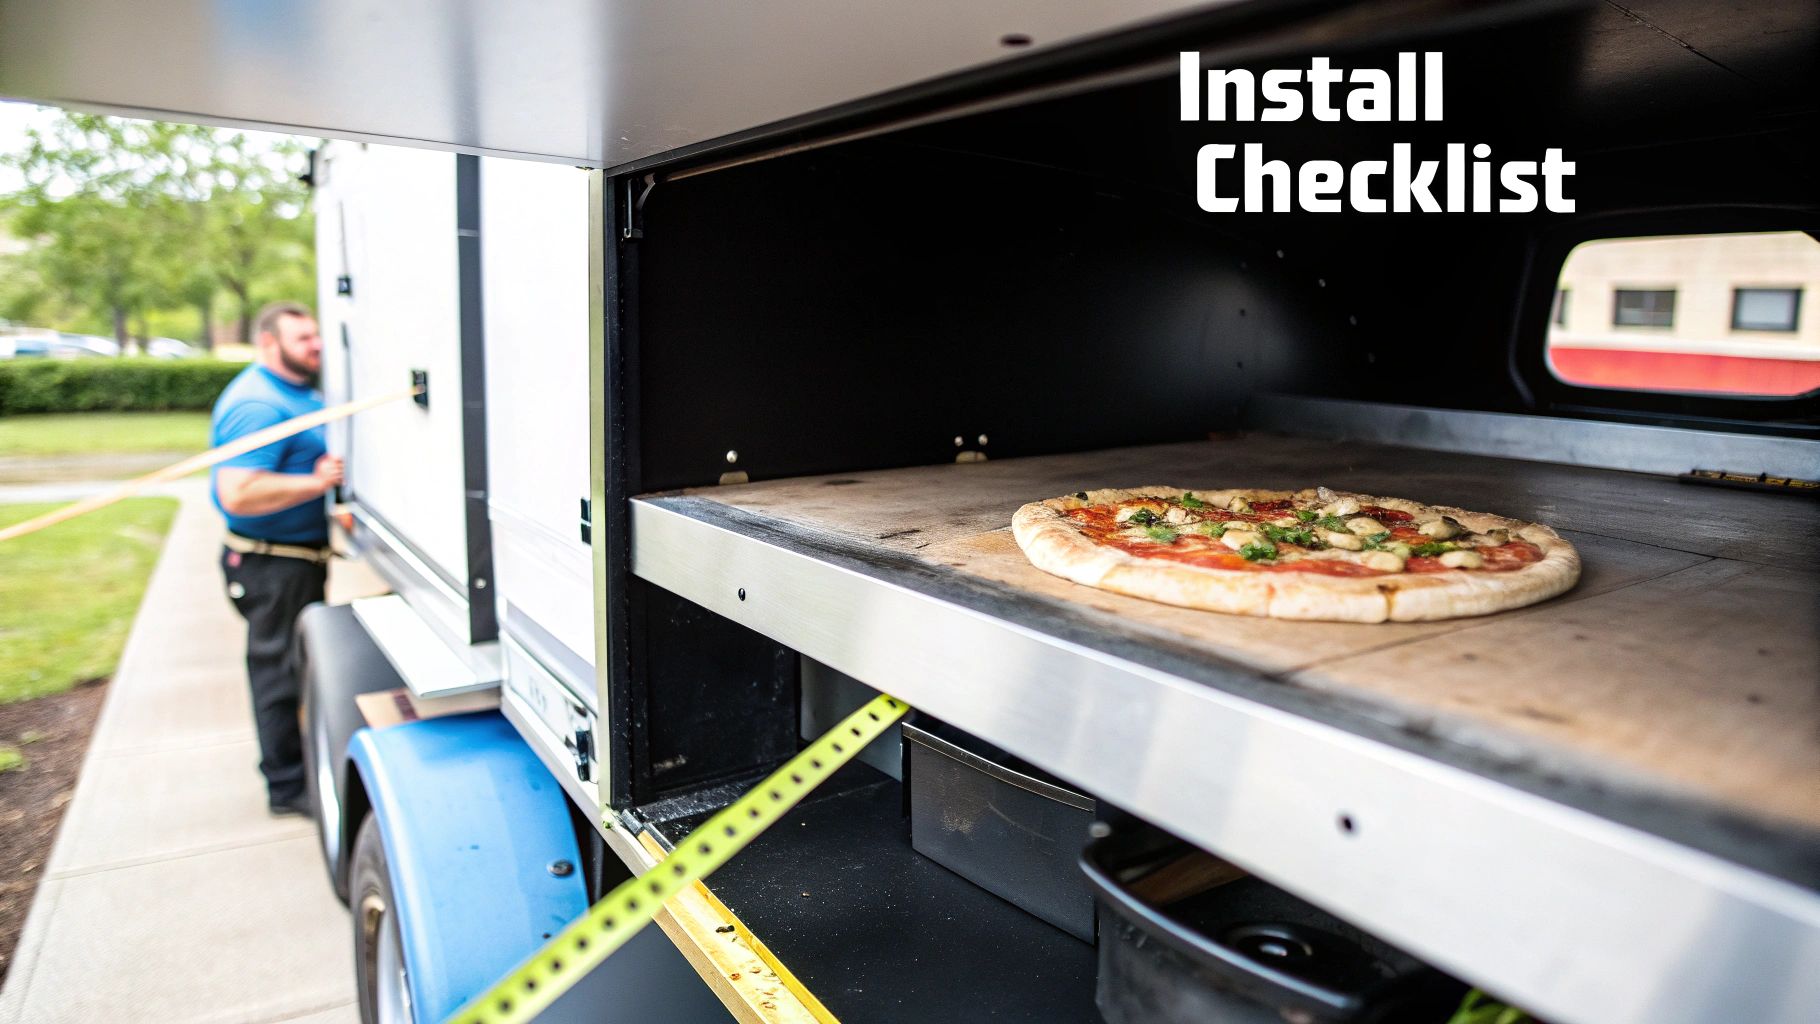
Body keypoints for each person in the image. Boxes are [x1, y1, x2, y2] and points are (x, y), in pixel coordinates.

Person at [211, 301, 344, 816]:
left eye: (316, 335)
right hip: (271, 565)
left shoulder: (295, 391)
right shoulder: (258, 405)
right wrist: (318, 482)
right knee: (278, 674)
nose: (316, 345)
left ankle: (294, 773)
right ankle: (287, 788)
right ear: (270, 343)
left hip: (296, 559)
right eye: (302, 338)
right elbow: (238, 493)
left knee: (294, 668)